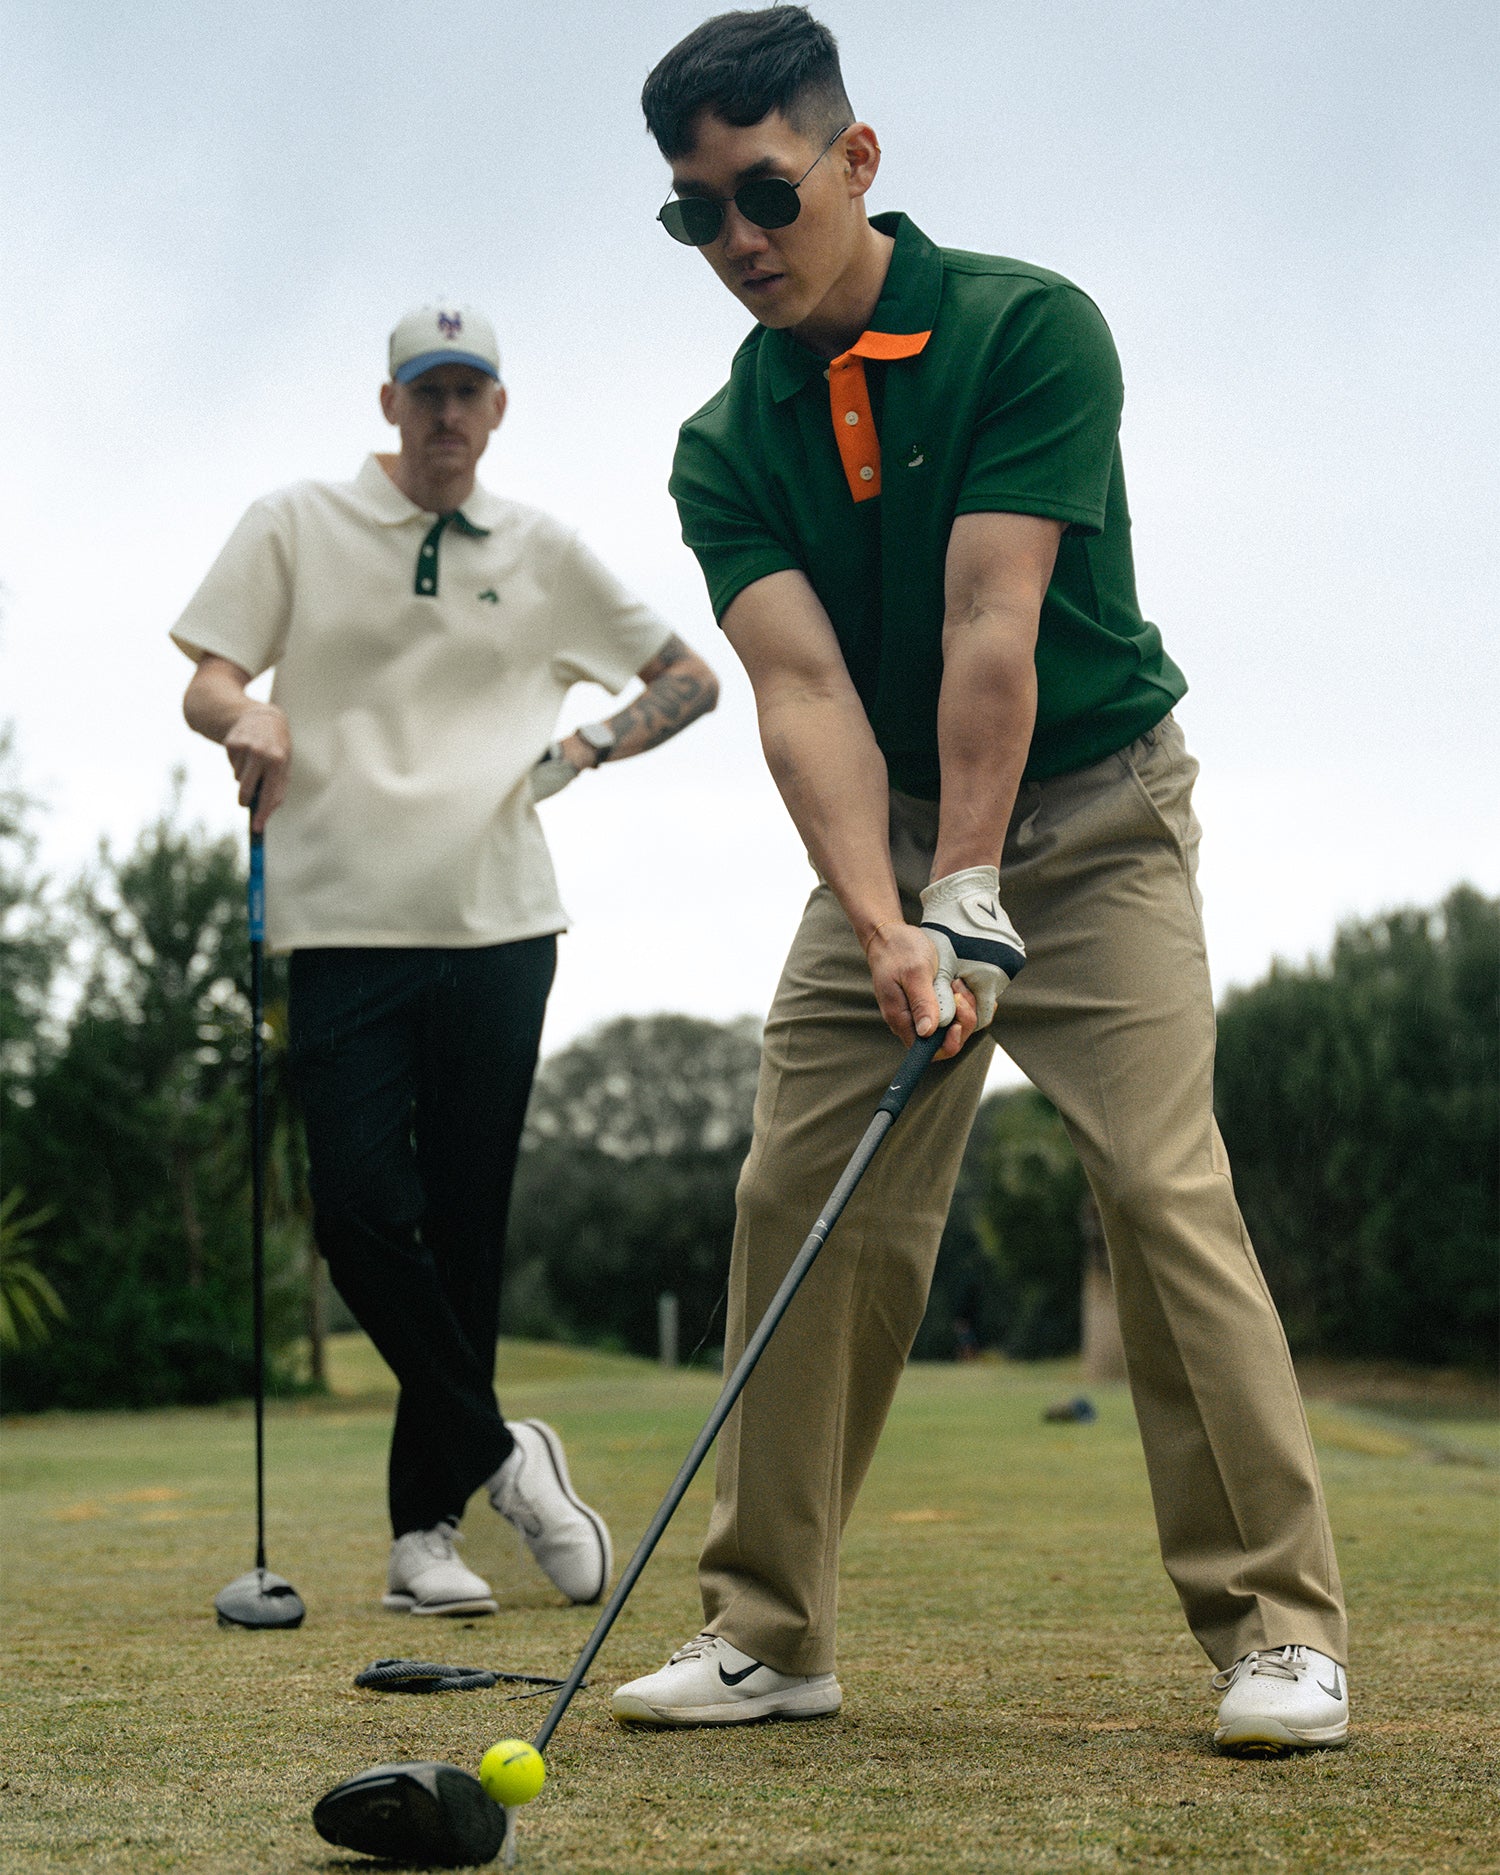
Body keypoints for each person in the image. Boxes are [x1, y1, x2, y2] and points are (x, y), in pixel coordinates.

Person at [611, 8, 1349, 1757]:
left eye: (764, 193)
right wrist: (887, 921)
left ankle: (1280, 1636)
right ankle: (769, 1635)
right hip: (888, 836)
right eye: (692, 215)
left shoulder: (1028, 326)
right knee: (803, 1199)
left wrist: (974, 893)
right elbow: (801, 694)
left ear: (856, 161)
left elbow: (987, 622)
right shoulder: (725, 445)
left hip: (1092, 819)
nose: (736, 243)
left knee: (1161, 1190)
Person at [174, 302, 718, 1616]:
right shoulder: (294, 523)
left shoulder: (540, 550)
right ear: (389, 405)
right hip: (341, 922)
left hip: (499, 925)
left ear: (498, 410)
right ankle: (501, 1456)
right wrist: (246, 712)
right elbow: (207, 677)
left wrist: (581, 751)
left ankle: (428, 1537)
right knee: (358, 1208)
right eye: (427, 391)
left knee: (466, 1230)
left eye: (470, 391)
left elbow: (688, 677)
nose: (447, 415)